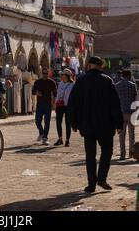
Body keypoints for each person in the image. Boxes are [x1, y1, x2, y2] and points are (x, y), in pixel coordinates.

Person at [68, 56, 123, 193]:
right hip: (105, 125)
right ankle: (102, 178)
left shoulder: (81, 81)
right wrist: (119, 123)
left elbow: (73, 103)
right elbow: (115, 104)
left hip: (87, 125)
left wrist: (73, 122)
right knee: (106, 153)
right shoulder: (107, 80)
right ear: (99, 66)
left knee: (90, 155)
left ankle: (91, 184)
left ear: (89, 65)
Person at [115, 69, 138, 160]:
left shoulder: (117, 85)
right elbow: (135, 98)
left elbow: (115, 100)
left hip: (121, 113)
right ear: (129, 75)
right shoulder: (132, 85)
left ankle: (122, 154)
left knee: (122, 134)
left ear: (122, 75)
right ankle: (131, 153)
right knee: (131, 134)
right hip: (131, 113)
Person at [32, 66, 57, 145]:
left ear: (48, 73)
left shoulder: (51, 82)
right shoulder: (37, 82)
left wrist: (54, 102)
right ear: (41, 73)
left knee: (47, 122)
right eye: (44, 73)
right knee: (37, 121)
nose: (45, 75)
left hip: (48, 105)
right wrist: (36, 93)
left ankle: (45, 138)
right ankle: (41, 132)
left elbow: (55, 93)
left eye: (46, 73)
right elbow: (33, 91)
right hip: (39, 104)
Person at [54, 69, 74, 147]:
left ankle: (67, 140)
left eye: (62, 75)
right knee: (58, 122)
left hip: (68, 105)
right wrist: (55, 104)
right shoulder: (60, 84)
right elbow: (58, 95)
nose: (61, 76)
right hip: (60, 105)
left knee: (67, 123)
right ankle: (60, 138)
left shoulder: (73, 84)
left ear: (66, 76)